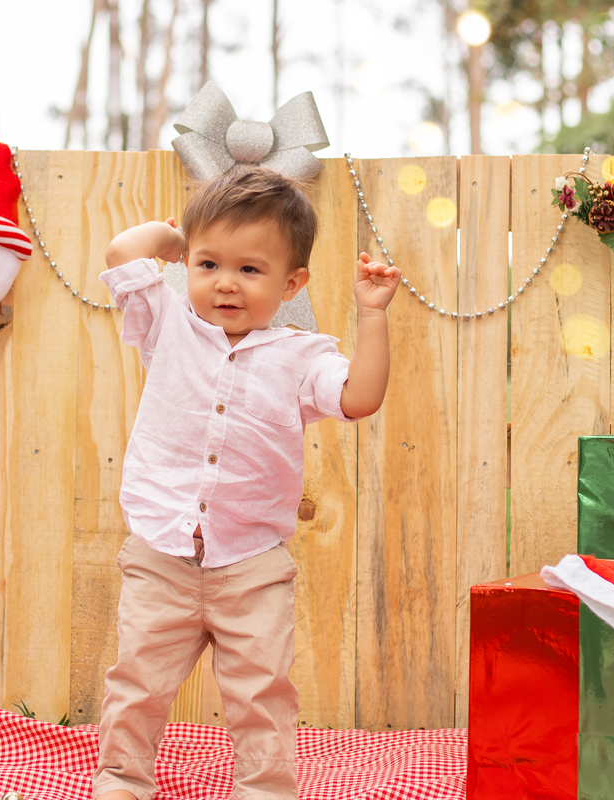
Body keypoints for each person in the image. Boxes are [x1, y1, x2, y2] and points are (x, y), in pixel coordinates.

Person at [94, 165, 400, 800]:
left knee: (262, 692)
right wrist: (174, 240)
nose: (225, 283)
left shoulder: (303, 356)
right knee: (137, 683)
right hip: (161, 554)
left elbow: (360, 397)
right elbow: (123, 253)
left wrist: (372, 314)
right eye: (208, 265)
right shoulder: (169, 325)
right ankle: (122, 778)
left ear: (292, 283)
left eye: (250, 269)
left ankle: (264, 789)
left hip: (252, 564)